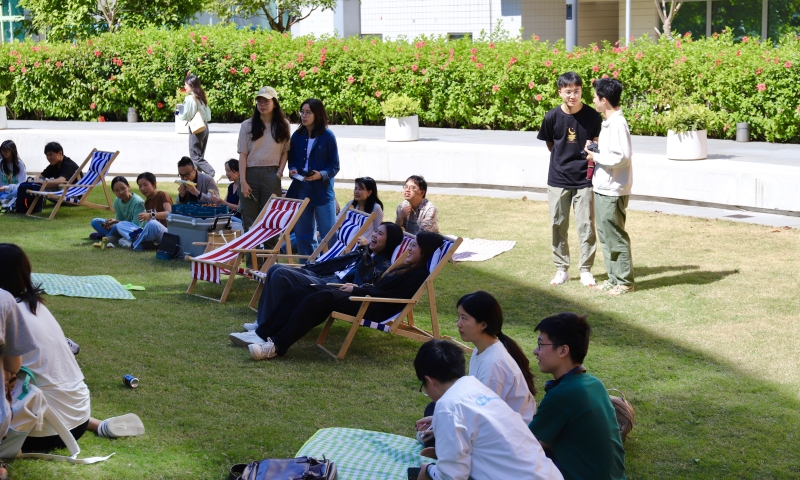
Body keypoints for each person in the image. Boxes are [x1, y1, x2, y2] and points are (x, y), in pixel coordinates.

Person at [0, 244, 144, 454]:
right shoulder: (37, 305)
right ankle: (95, 424)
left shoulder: (7, 310)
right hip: (78, 416)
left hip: (40, 431)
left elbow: (13, 368)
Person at [241, 231, 446, 360]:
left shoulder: (417, 275)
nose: (409, 249)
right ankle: (264, 332)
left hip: (371, 306)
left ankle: (276, 346)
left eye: (414, 246)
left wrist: (356, 290)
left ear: (426, 252)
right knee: (301, 291)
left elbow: (387, 294)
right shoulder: (407, 268)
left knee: (316, 300)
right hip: (367, 298)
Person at [412, 340, 562, 480]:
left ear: (430, 381)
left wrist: (428, 470)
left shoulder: (448, 407)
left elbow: (451, 476)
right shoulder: (478, 388)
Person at [233, 222, 404, 337]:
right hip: (325, 276)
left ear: (389, 242)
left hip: (334, 285)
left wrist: (367, 255)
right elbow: (337, 262)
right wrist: (364, 251)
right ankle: (261, 323)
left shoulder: (381, 264)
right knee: (276, 268)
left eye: (380, 234)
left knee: (280, 273)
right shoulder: (366, 251)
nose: (374, 235)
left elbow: (364, 282)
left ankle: (263, 328)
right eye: (375, 231)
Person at [415, 291, 537, 447]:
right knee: (436, 408)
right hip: (488, 421)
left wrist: (443, 423)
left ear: (483, 324)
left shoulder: (494, 364)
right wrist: (438, 419)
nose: (458, 324)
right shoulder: (480, 351)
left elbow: (483, 420)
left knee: (440, 421)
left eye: (464, 318)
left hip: (508, 439)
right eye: (458, 317)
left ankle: (439, 448)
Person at [529, 313, 626, 480]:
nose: (535, 351)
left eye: (540, 344)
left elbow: (526, 444)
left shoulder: (563, 394)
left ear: (563, 350)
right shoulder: (594, 384)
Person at [537, 72, 602, 288]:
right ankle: (561, 269)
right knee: (558, 224)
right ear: (560, 93)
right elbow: (550, 144)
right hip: (558, 178)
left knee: (586, 225)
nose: (572, 96)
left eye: (576, 91)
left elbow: (595, 143)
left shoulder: (593, 116)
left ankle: (586, 270)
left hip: (584, 178)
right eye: (568, 92)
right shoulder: (551, 116)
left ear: (582, 91)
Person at [585, 78, 635, 296]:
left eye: (595, 97)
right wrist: (596, 150)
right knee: (605, 235)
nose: (593, 100)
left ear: (604, 100)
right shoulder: (609, 122)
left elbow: (622, 157)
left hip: (614, 189)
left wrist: (595, 155)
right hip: (605, 187)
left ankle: (624, 281)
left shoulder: (617, 123)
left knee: (614, 235)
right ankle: (614, 278)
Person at [286, 98, 340, 256]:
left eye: (308, 112)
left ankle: (332, 268)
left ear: (317, 114)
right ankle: (307, 268)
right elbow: (292, 160)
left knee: (329, 235)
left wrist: (320, 175)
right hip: (301, 188)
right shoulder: (297, 136)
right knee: (303, 235)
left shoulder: (328, 136)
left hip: (322, 191)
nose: (304, 115)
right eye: (302, 112)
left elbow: (334, 166)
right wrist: (293, 169)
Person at [237, 86, 291, 232]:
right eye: (259, 101)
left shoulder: (283, 125)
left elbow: (285, 152)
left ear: (274, 103)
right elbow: (242, 154)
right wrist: (242, 181)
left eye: (266, 101)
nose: (262, 104)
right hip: (250, 174)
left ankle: (269, 255)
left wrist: (279, 173)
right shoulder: (247, 125)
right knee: (250, 221)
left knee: (271, 219)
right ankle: (251, 255)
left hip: (272, 174)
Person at [179, 74, 214, 177]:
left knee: (195, 156)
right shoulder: (201, 97)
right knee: (200, 155)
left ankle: (212, 173)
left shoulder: (190, 98)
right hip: (205, 127)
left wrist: (180, 116)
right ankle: (198, 179)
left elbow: (187, 114)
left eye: (186, 85)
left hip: (196, 127)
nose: (185, 87)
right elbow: (208, 115)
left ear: (191, 85)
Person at [89, 176, 145, 241]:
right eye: (117, 190)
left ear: (128, 187)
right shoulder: (117, 201)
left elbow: (136, 225)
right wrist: (110, 224)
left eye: (123, 188)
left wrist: (115, 222)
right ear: (113, 192)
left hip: (134, 230)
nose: (121, 192)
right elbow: (119, 219)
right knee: (95, 221)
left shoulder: (138, 202)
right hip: (120, 227)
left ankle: (106, 237)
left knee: (117, 226)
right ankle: (113, 236)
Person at [343, 177, 384, 242]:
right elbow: (339, 219)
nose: (356, 192)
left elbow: (377, 231)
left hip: (364, 245)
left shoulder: (376, 208)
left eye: (360, 189)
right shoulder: (351, 204)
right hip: (346, 241)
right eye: (355, 189)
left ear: (369, 192)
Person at [0, 140, 26, 208]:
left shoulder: (19, 165)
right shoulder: (1, 163)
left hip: (13, 190)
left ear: (13, 151)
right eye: (3, 150)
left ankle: (5, 199)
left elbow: (21, 184)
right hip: (2, 191)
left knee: (17, 191)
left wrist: (7, 187)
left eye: (7, 150)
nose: (4, 152)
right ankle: (6, 200)